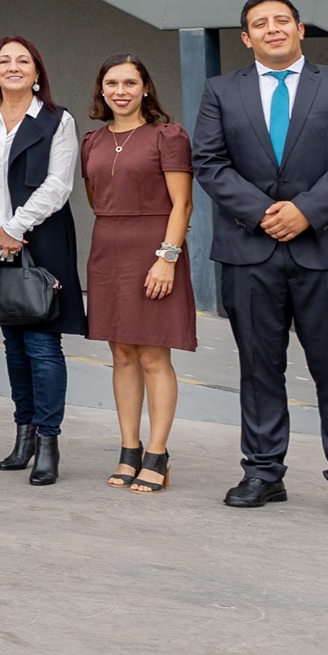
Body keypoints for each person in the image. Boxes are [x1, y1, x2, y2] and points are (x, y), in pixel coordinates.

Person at [192, 0, 328, 522]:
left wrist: (304, 211)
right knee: (258, 369)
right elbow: (209, 162)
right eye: (260, 23)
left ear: (300, 30)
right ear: (246, 38)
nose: (272, 29)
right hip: (250, 252)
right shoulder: (221, 91)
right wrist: (263, 213)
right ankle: (262, 473)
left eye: (282, 21)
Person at [0, 36, 83, 488]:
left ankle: (48, 441)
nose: (13, 67)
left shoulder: (57, 119)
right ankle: (23, 435)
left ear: (36, 72)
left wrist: (17, 226)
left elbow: (58, 183)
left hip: (43, 237)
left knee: (44, 345)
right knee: (12, 343)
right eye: (4, 61)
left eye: (23, 60)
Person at [81, 54, 196, 496]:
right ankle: (129, 449)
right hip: (107, 252)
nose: (120, 91)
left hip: (155, 250)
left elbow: (182, 204)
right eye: (112, 83)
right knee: (122, 354)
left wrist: (167, 257)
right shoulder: (92, 140)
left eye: (130, 82)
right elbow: (96, 198)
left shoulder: (167, 136)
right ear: (102, 90)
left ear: (146, 87)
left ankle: (158, 454)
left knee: (152, 356)